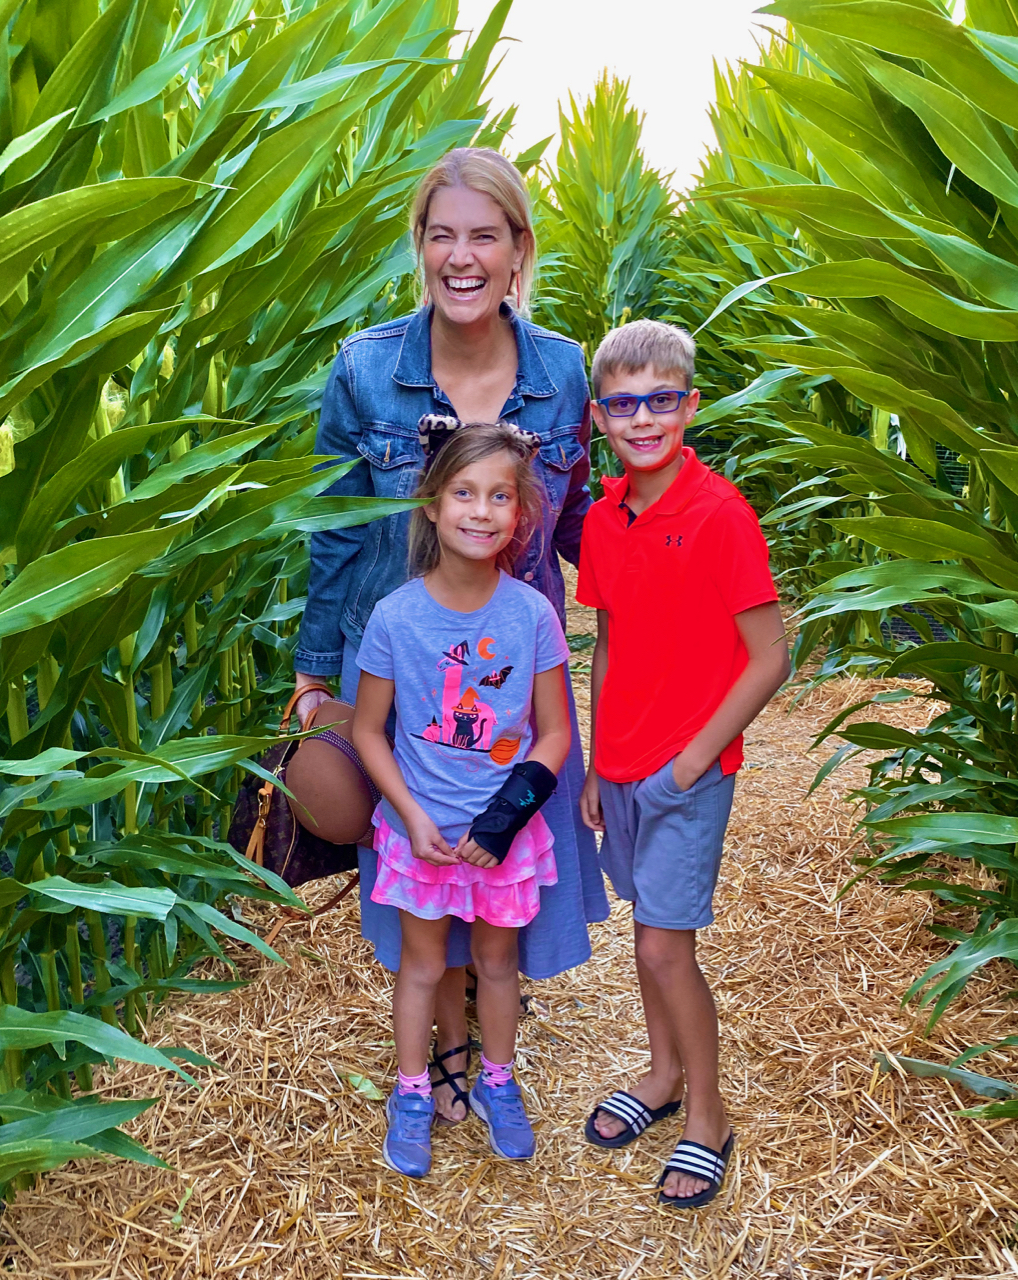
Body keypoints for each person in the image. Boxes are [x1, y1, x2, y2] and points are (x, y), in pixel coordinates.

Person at [292, 148, 608, 1125]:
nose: (461, 255)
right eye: (442, 235)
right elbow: (339, 528)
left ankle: (481, 1024)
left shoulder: (560, 371)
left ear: (519, 251)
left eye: (485, 235)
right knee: (369, 817)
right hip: (397, 656)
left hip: (516, 671)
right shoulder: (365, 371)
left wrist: (663, 560)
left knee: (495, 848)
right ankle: (447, 1038)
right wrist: (311, 671)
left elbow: (573, 521)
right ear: (420, 248)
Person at [577, 319, 791, 1210]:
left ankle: (707, 1116)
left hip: (684, 773)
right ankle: (661, 1075)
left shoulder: (719, 514)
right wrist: (595, 760)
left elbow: (770, 655)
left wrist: (693, 761)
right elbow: (609, 640)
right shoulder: (600, 517)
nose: (642, 418)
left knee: (667, 948)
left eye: (660, 400)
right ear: (599, 417)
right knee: (646, 936)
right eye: (623, 404)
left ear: (688, 405)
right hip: (621, 764)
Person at [353, 422, 572, 1177]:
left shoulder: (532, 614)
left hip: (498, 838)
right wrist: (410, 817)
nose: (480, 512)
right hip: (420, 836)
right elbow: (369, 732)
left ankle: (497, 1084)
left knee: (496, 964)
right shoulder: (395, 617)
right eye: (463, 494)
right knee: (419, 967)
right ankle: (412, 1092)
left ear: (521, 513)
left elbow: (553, 737)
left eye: (499, 497)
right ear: (432, 504)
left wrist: (504, 821)